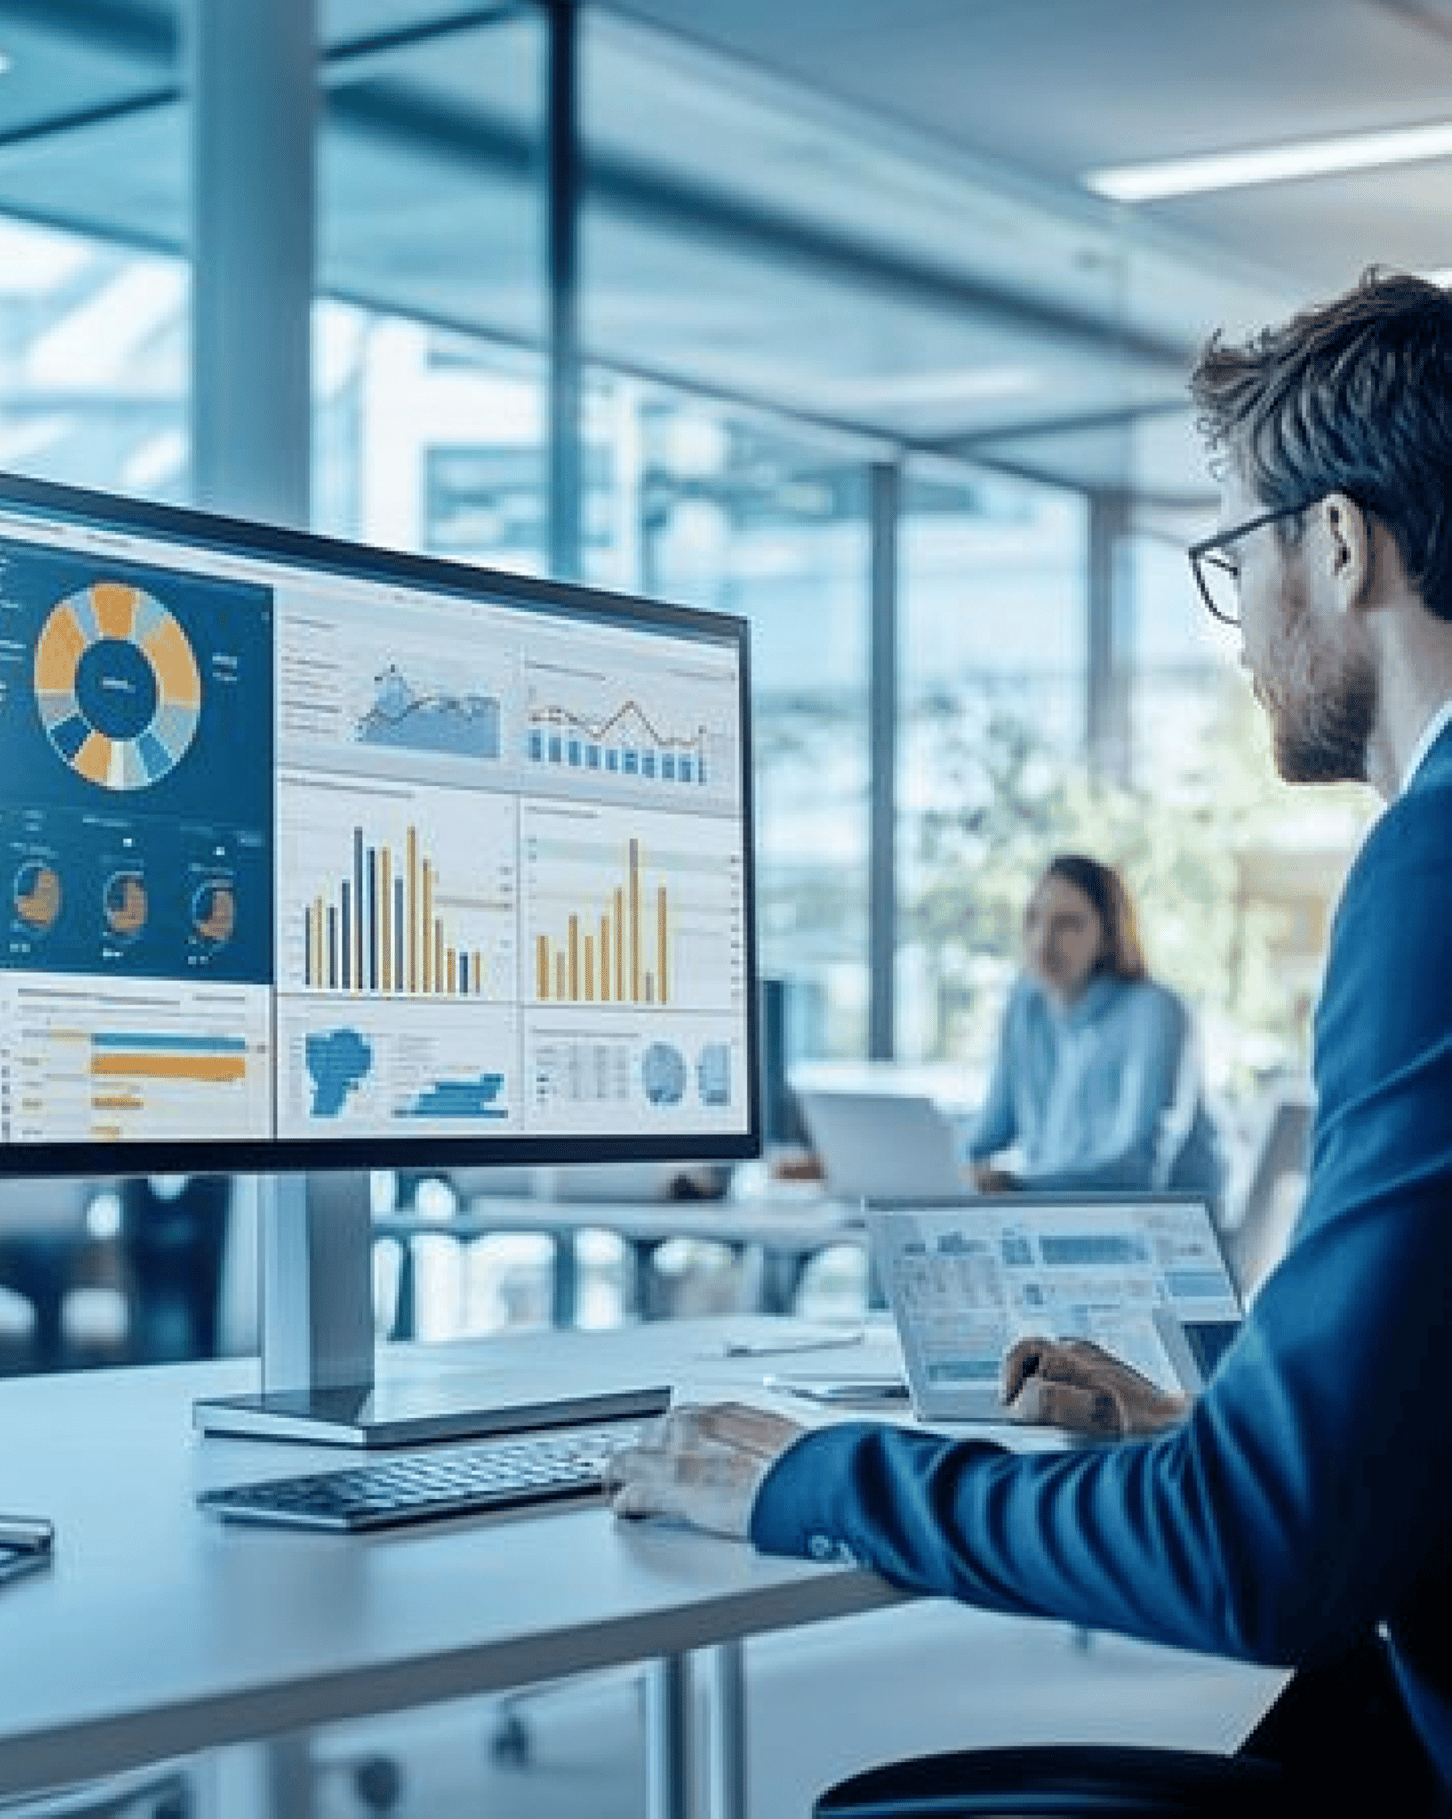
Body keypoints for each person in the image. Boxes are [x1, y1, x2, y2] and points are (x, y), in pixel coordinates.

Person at [606, 269, 1452, 1813]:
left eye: (1233, 557)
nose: (1236, 627)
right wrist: (1213, 1432)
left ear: (1338, 544)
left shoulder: (1434, 870)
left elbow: (1260, 1564)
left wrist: (813, 1473)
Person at [963, 851, 1228, 1198]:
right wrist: (930, 1170)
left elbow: (1138, 1169)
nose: (1042, 943)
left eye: (1068, 925)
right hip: (1059, 1212)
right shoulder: (1026, 1008)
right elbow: (988, 1135)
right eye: (1032, 920)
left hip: (1163, 1227)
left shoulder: (1155, 1011)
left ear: (1108, 936)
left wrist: (1018, 1185)